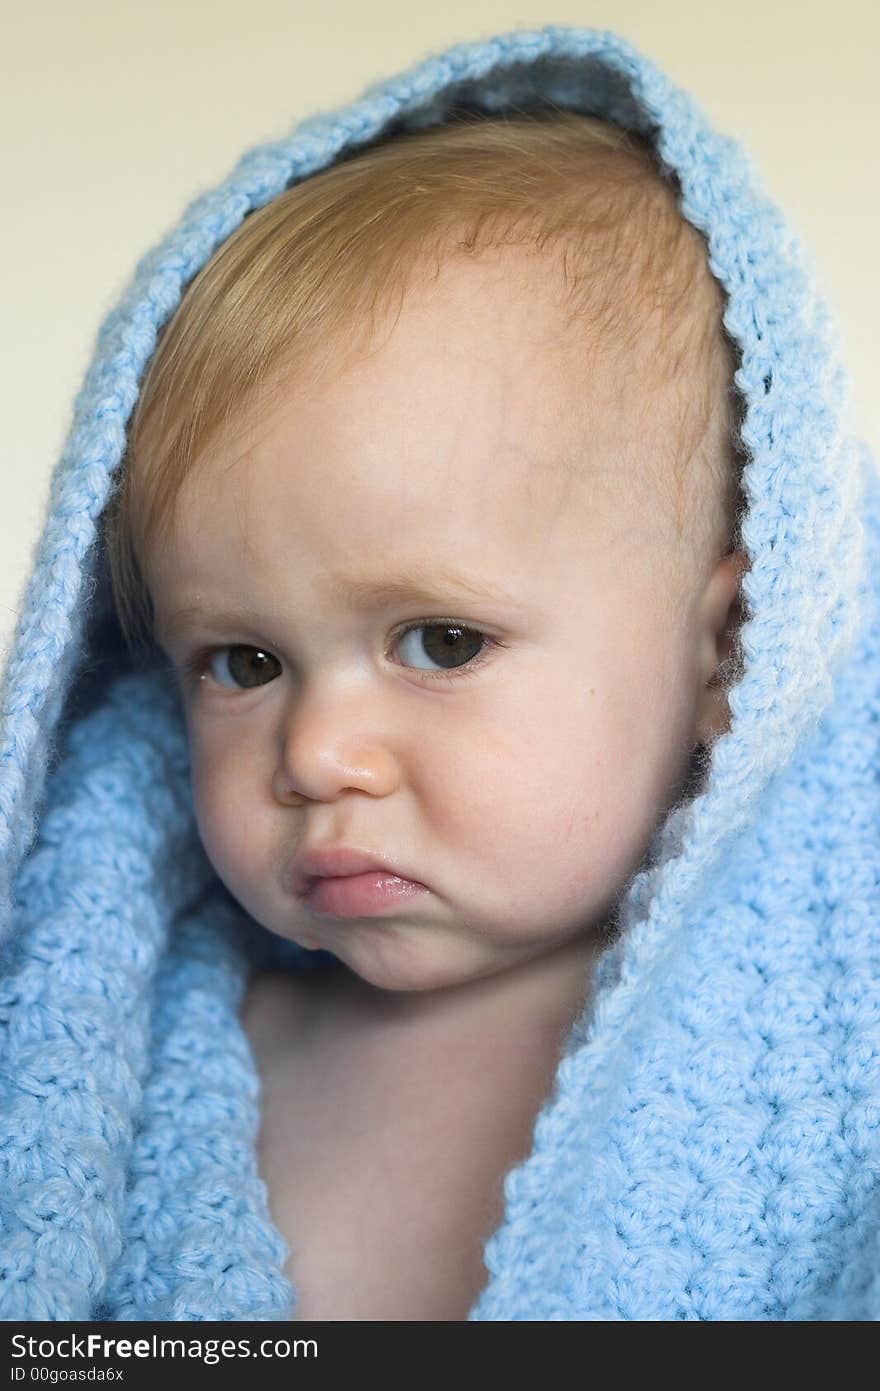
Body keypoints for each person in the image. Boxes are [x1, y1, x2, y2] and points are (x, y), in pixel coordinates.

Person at [0, 25, 876, 1322]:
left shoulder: (817, 1088)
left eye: (441, 642)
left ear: (728, 653)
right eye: (242, 662)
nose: (314, 756)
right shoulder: (120, 1080)